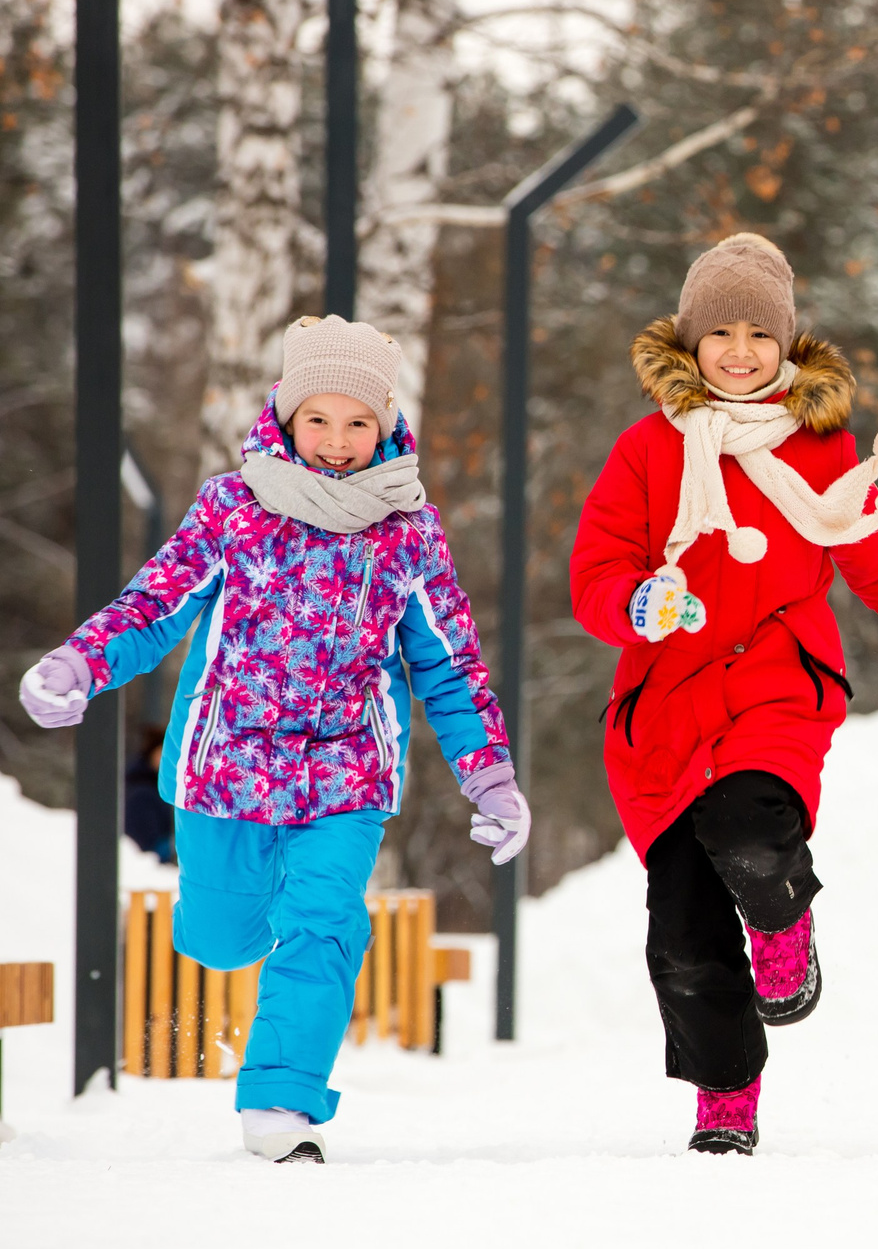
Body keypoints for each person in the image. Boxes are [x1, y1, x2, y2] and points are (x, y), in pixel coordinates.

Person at [17, 316, 523, 1163]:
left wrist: (491, 776)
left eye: (358, 422)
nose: (337, 440)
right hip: (227, 767)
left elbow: (452, 668)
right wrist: (78, 663)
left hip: (347, 770)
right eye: (318, 419)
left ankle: (281, 1105)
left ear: (386, 425)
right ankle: (234, 924)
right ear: (287, 418)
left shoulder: (408, 531)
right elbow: (154, 607)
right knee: (218, 937)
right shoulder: (232, 509)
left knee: (324, 920)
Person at [570, 233, 878, 1156]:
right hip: (663, 712)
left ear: (788, 344)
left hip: (777, 688)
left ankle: (783, 920)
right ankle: (725, 1098)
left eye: (758, 334)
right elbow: (595, 572)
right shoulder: (647, 451)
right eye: (719, 331)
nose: (738, 350)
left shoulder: (820, 449)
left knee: (750, 826)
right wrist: (641, 601)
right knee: (683, 931)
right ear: (689, 344)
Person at [124, 724, 177, 864]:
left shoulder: (154, 786)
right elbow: (149, 845)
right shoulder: (142, 791)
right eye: (164, 753)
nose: (169, 759)